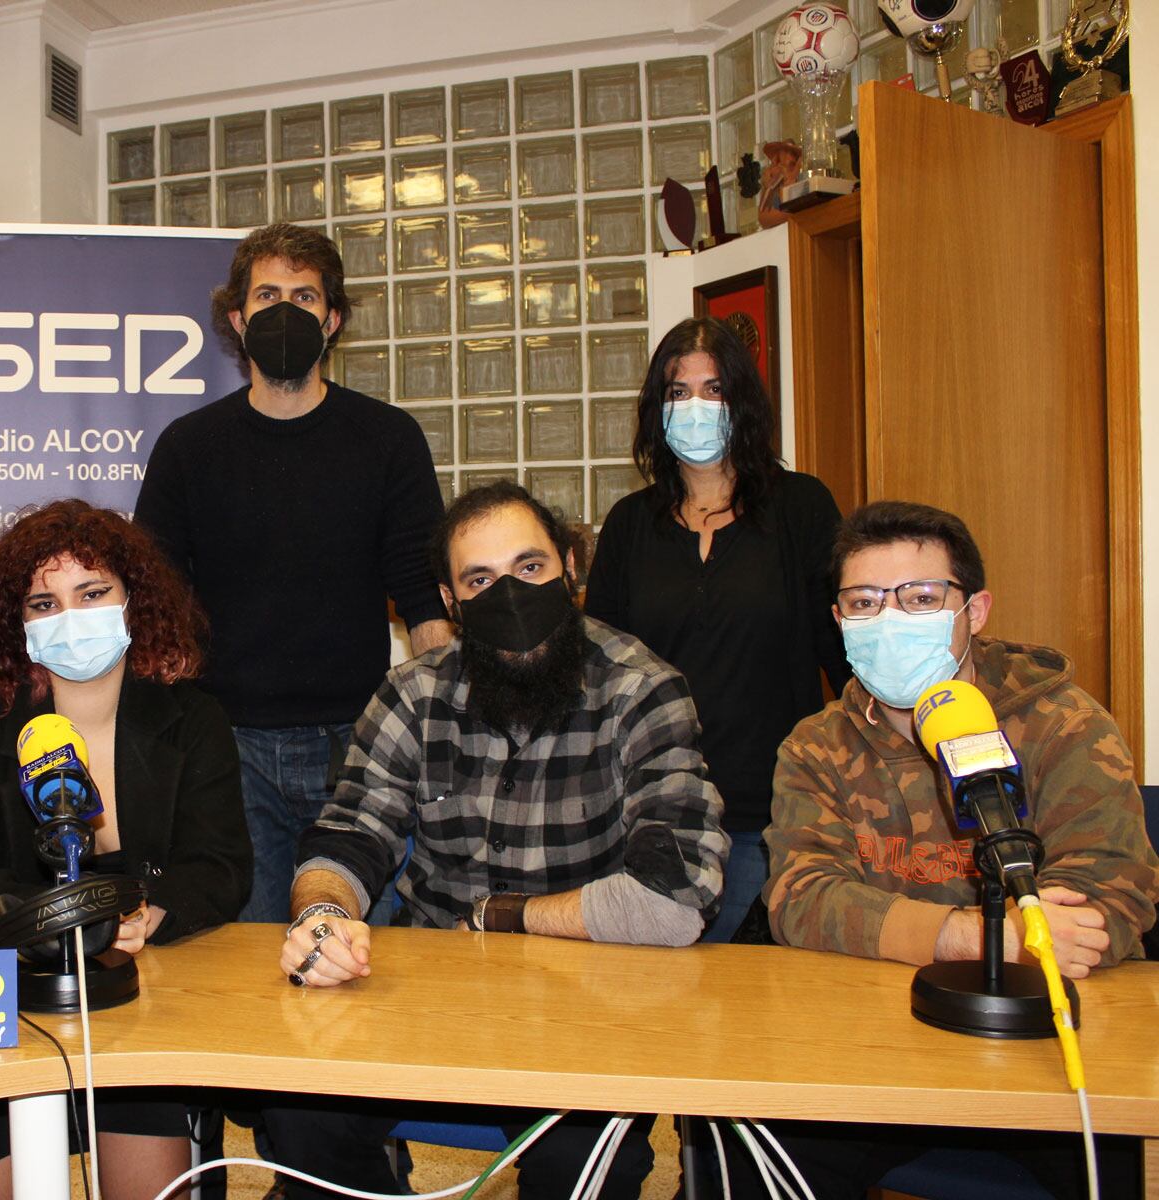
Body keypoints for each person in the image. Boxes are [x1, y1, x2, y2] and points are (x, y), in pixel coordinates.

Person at [264, 481, 728, 1199]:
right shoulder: (413, 694)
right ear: (449, 601)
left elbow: (675, 900)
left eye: (529, 567)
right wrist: (322, 915)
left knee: (587, 1166)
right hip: (432, 994)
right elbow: (352, 831)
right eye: (480, 580)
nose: (509, 596)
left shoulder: (642, 690)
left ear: (569, 566)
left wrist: (500, 917)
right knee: (296, 1111)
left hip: (590, 1004)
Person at [749, 500, 1158, 1198]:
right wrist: (980, 936)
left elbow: (1106, 904)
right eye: (865, 603)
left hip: (1045, 1038)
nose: (890, 620)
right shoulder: (816, 745)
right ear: (839, 620)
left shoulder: (1064, 724)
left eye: (920, 599)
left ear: (975, 611)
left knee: (1121, 1167)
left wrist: (906, 930)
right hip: (874, 1038)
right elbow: (801, 899)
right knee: (748, 1152)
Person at [0, 499, 250, 1200]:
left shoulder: (195, 719)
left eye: (92, 593)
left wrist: (152, 912)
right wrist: (34, 924)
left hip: (148, 991)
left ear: (134, 601)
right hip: (18, 994)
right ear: (17, 623)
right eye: (44, 603)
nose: (70, 617)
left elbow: (221, 866)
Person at [135, 221, 450, 923]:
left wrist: (444, 724)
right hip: (230, 747)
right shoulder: (188, 448)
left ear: (332, 320)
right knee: (248, 949)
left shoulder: (388, 438)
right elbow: (155, 597)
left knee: (366, 948)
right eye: (267, 295)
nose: (285, 310)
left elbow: (422, 591)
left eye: (304, 296)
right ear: (238, 318)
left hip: (363, 742)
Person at [587, 316, 849, 944]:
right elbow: (598, 674)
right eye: (678, 392)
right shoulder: (629, 523)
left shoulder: (802, 507)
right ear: (656, 409)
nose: (696, 408)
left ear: (743, 402)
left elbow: (844, 653)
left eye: (714, 390)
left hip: (772, 811)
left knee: (761, 993)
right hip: (654, 811)